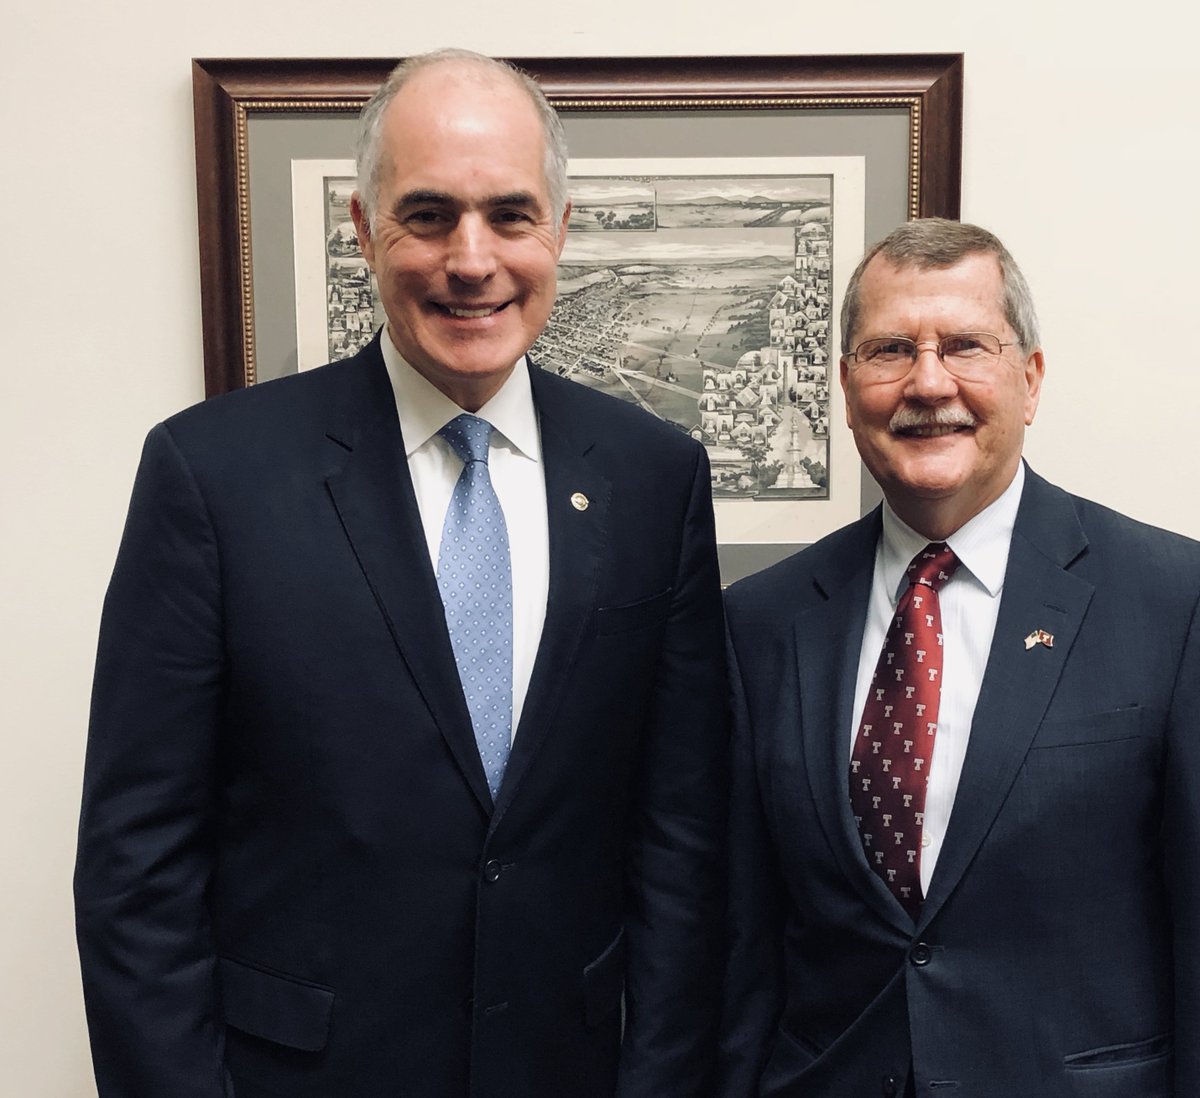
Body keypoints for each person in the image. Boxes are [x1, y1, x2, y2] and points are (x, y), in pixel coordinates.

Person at [75, 49, 727, 1098]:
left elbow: (683, 842)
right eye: (428, 215)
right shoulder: (213, 477)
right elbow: (135, 867)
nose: (472, 260)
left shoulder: (655, 477)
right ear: (363, 230)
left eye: (510, 216)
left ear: (560, 230)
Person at [719, 218, 1199, 1097]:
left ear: (1031, 379)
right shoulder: (761, 623)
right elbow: (742, 943)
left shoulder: (1173, 601)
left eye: (966, 346)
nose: (928, 382)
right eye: (890, 350)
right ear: (845, 387)